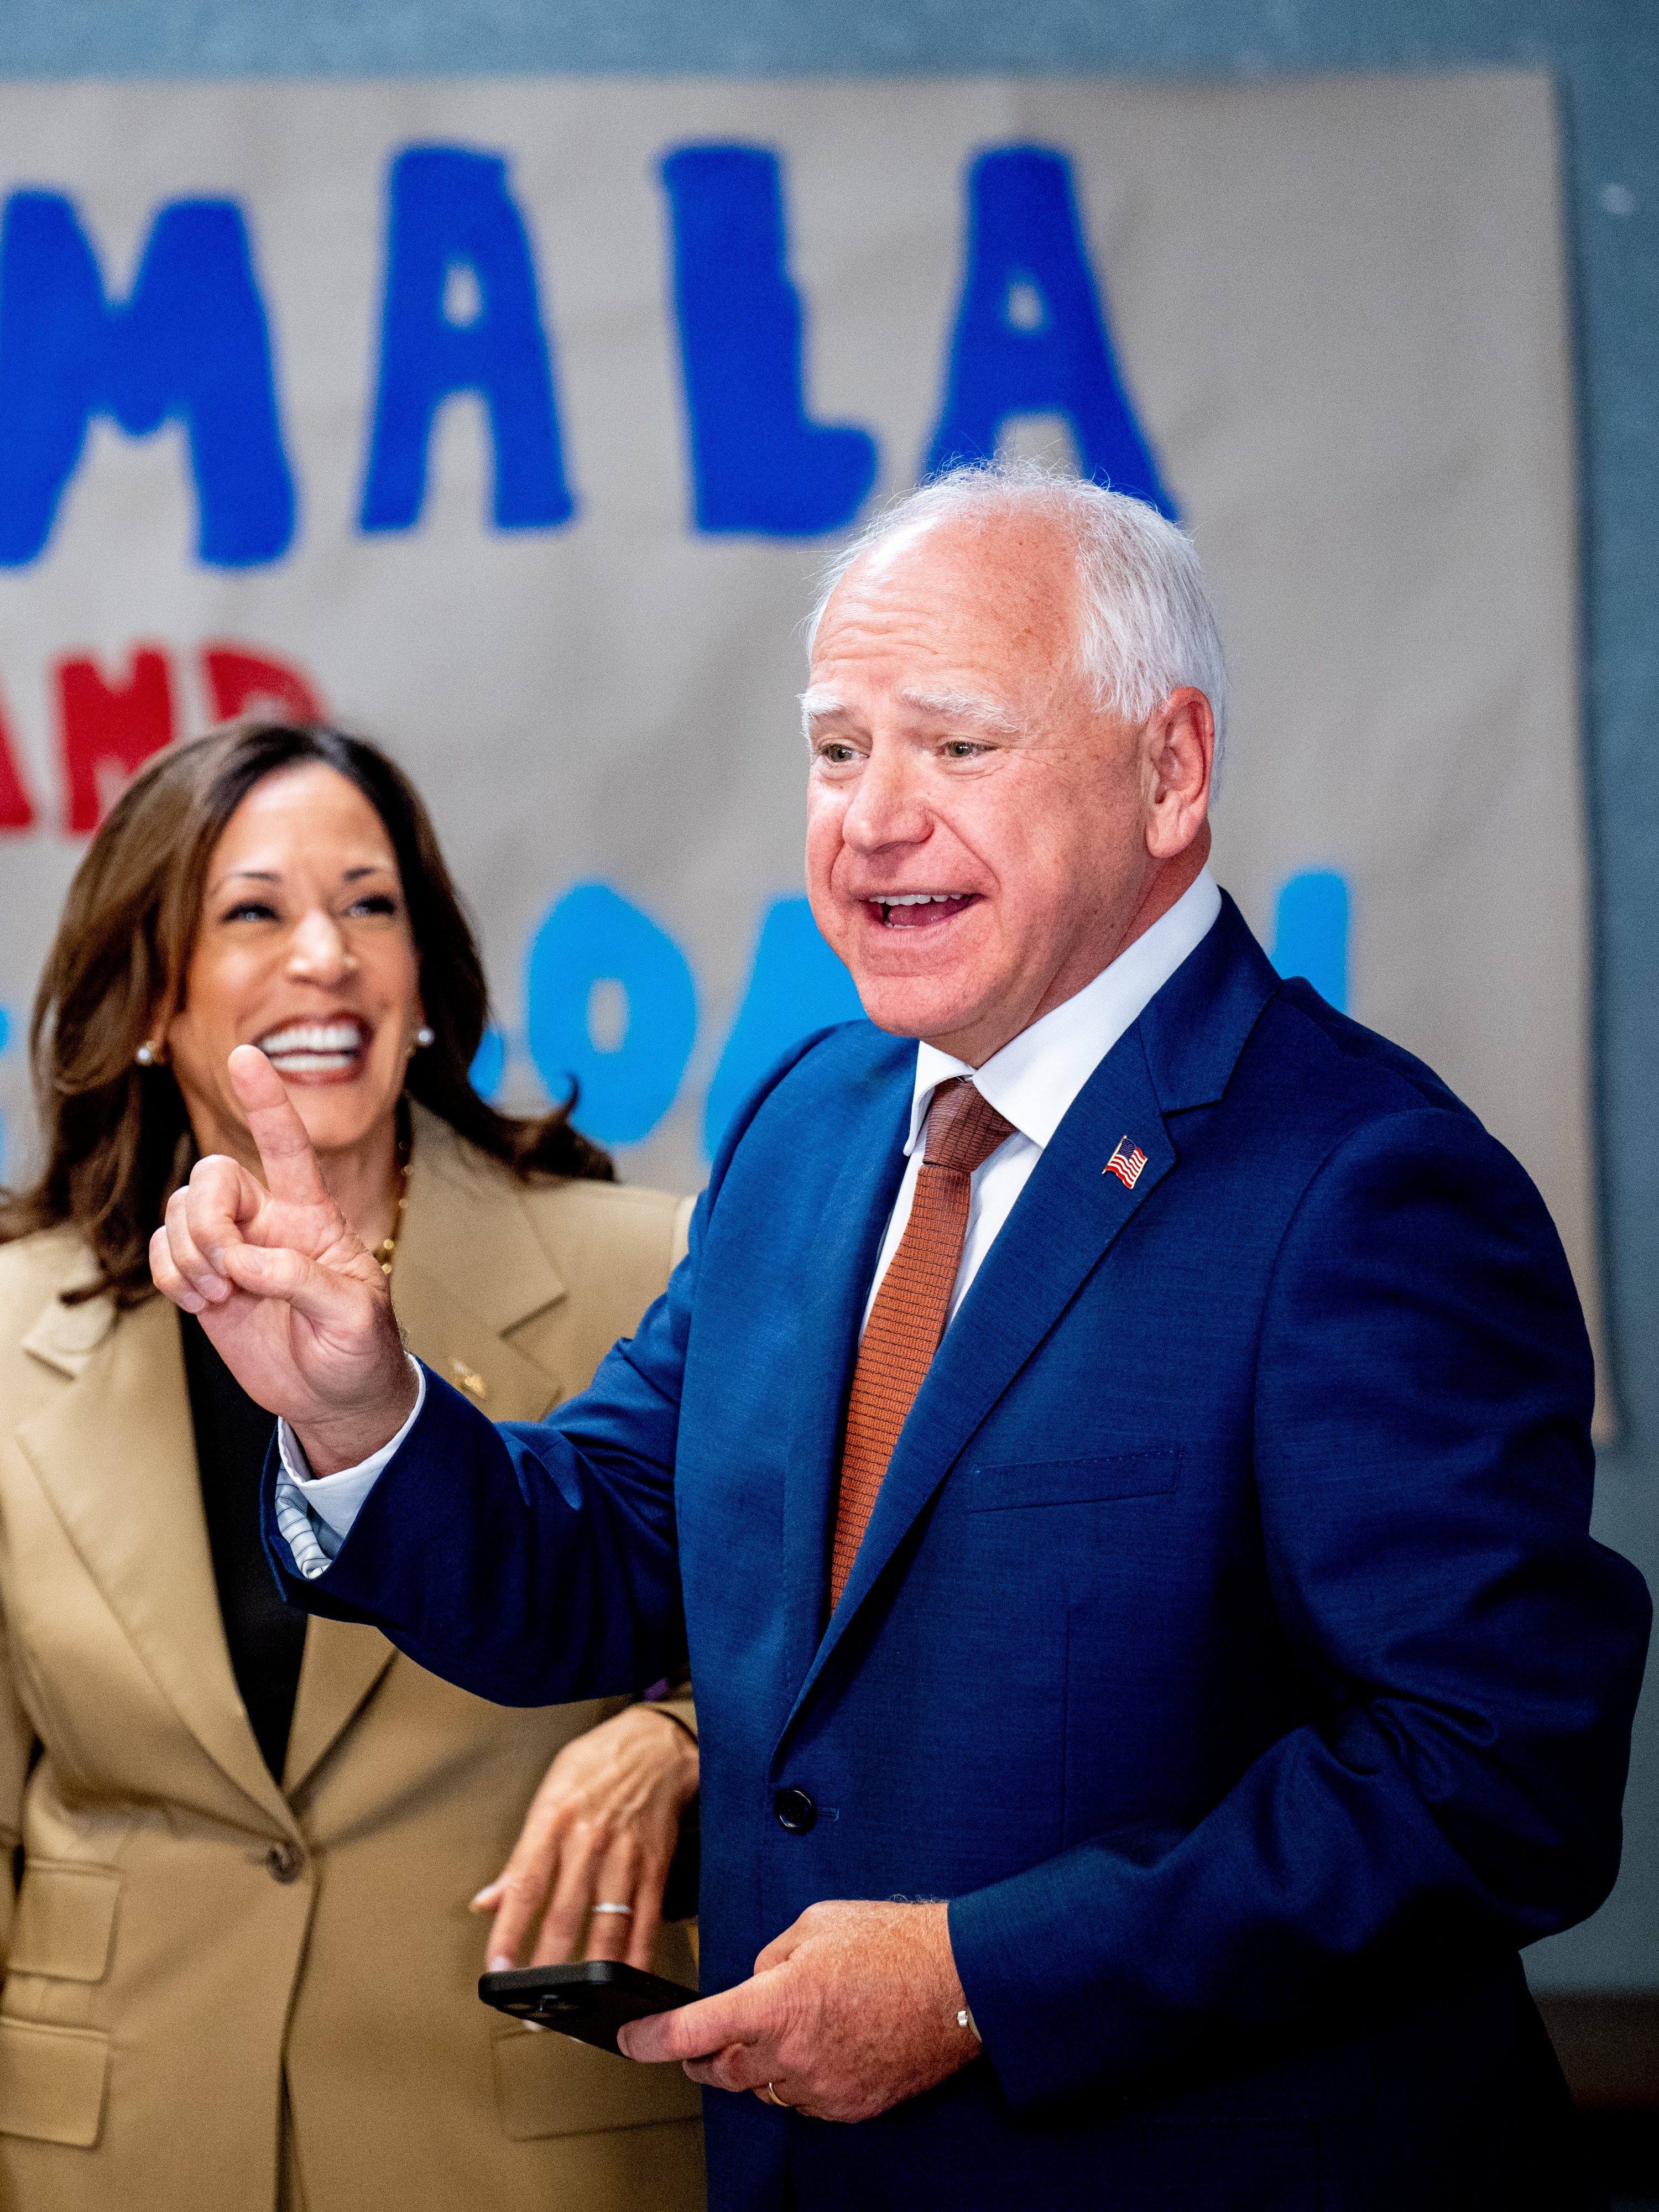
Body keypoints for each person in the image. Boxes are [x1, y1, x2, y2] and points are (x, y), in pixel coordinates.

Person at [154, 467, 1650, 2212]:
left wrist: (969, 1983)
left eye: (954, 746)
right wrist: (362, 1410)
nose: (871, 820)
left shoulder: (1369, 1186)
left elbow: (1499, 1775)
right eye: (837, 749)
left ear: (1172, 770)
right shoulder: (811, 1123)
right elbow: (621, 1549)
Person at [0, 721, 706, 2211]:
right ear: (148, 999)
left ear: (427, 980)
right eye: (253, 910)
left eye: (370, 905)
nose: (325, 954)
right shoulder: (8, 1328)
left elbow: (833, 1640)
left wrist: (679, 1738)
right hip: (113, 2150)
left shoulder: (645, 1270)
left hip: (516, 2143)